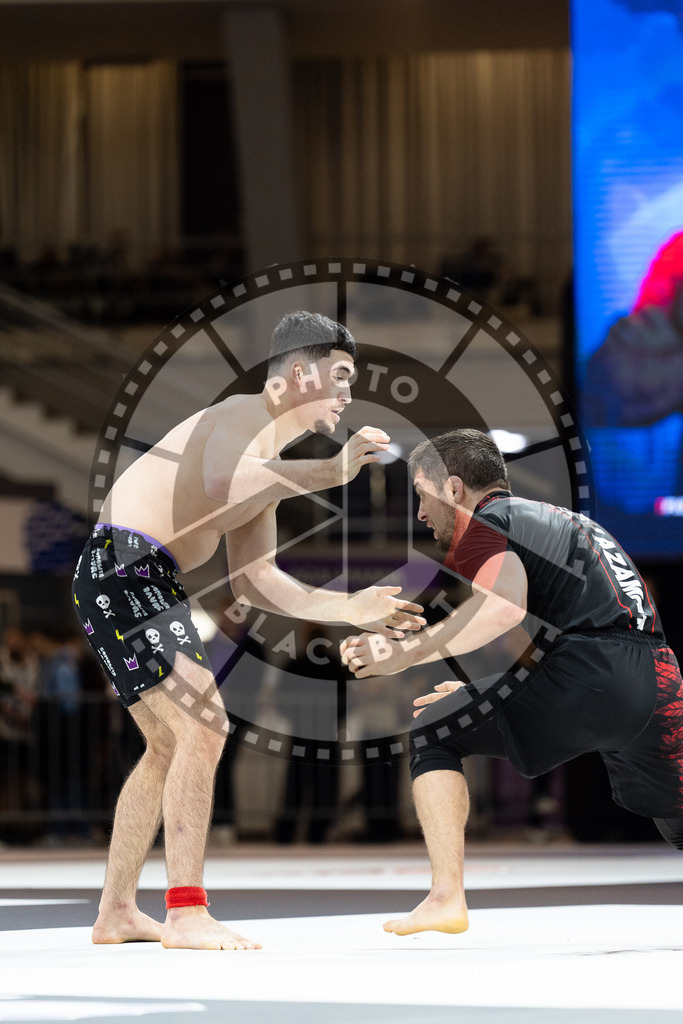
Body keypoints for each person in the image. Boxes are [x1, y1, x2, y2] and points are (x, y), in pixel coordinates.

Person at [72, 310, 424, 951]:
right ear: (301, 373)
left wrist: (349, 607)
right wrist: (331, 472)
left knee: (168, 743)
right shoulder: (243, 415)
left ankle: (116, 910)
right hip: (126, 563)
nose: (348, 393)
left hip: (131, 572)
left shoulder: (269, 465)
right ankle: (186, 912)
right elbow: (219, 480)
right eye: (342, 375)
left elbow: (256, 582)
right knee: (205, 727)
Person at [341, 427, 683, 936]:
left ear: (453, 488)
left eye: (421, 494)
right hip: (659, 677)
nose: (420, 513)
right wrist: (487, 691)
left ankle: (445, 898)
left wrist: (404, 653)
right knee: (677, 811)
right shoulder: (567, 521)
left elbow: (503, 608)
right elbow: (590, 631)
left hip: (596, 675)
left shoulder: (489, 520)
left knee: (434, 730)